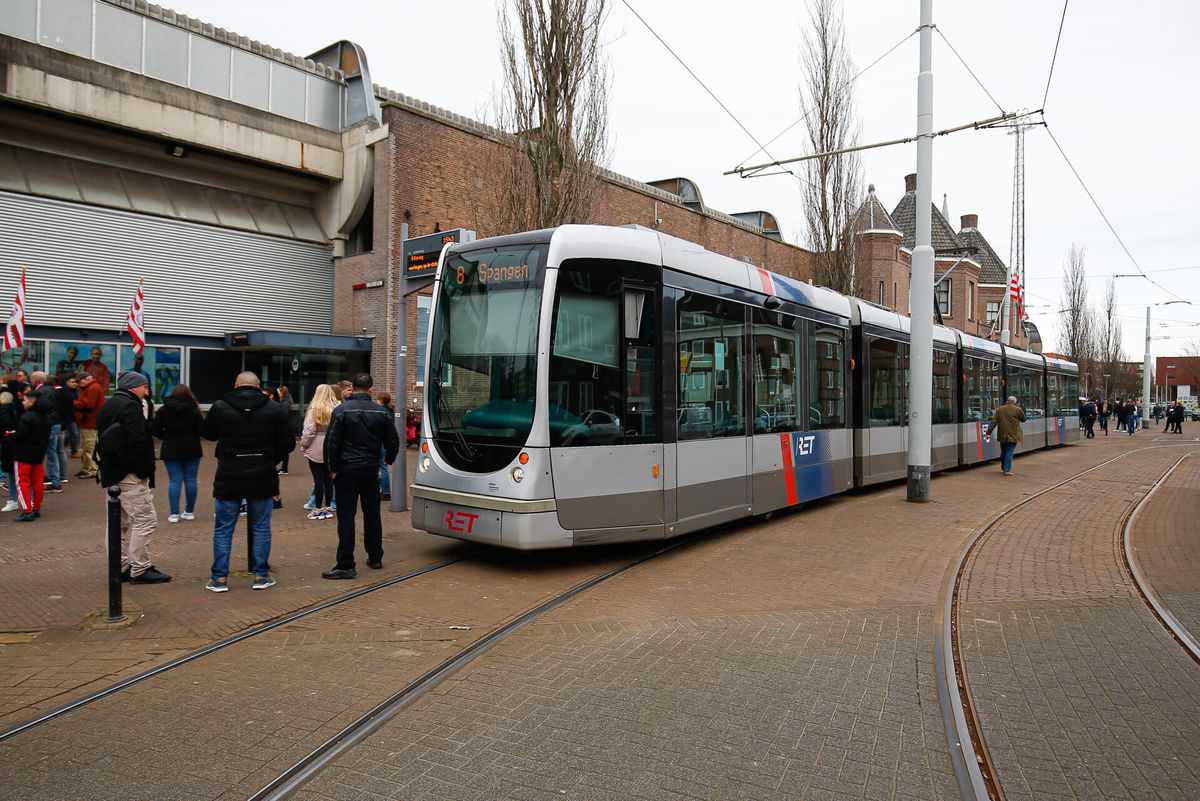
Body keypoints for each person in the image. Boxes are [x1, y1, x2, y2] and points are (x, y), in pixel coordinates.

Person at [201, 371, 294, 592]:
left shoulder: (221, 406)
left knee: (224, 527)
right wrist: (272, 458)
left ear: (236, 384)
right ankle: (261, 575)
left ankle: (219, 578)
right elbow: (287, 443)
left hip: (230, 471)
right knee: (261, 527)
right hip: (262, 471)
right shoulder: (274, 409)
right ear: (258, 386)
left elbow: (209, 434)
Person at [322, 373, 399, 579]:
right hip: (370, 469)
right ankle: (375, 556)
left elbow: (332, 442)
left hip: (347, 469)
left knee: (347, 517)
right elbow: (393, 440)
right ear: (371, 389)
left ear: (353, 388)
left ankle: (346, 563)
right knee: (372, 513)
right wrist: (388, 460)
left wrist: (332, 468)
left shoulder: (342, 410)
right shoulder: (381, 412)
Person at [96, 372, 170, 583]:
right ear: (133, 387)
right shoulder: (131, 406)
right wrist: (144, 472)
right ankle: (140, 568)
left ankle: (118, 566)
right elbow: (138, 442)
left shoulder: (109, 405)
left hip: (111, 471)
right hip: (128, 473)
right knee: (145, 519)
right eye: (144, 387)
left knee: (117, 523)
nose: (147, 391)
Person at [152, 384, 203, 523]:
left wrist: (166, 436)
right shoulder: (194, 409)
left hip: (171, 446)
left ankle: (174, 513)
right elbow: (201, 429)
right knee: (191, 480)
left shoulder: (164, 410)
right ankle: (189, 511)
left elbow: (155, 429)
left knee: (175, 480)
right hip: (192, 447)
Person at [10, 387, 53, 521]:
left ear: (31, 402)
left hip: (23, 454)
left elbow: (21, 435)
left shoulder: (27, 416)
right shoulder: (47, 416)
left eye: (25, 400)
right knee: (37, 482)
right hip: (38, 453)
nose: (23, 402)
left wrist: (10, 436)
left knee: (22, 482)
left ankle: (27, 510)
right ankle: (36, 507)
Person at [300, 383, 339, 521]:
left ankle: (317, 508)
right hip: (332, 445)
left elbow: (309, 431)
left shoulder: (314, 409)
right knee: (329, 479)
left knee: (318, 479)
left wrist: (304, 445)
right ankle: (328, 506)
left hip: (316, 446)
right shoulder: (336, 409)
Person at [29, 371, 64, 492]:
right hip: (55, 423)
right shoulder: (53, 390)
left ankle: (39, 481)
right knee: (52, 453)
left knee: (40, 452)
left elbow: (43, 407)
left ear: (36, 380)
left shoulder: (42, 391)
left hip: (48, 424)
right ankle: (55, 481)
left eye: (31, 379)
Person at [73, 371, 105, 479]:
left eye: (79, 381)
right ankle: (86, 468)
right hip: (87, 422)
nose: (78, 384)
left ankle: (93, 469)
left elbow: (89, 404)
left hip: (90, 422)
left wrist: (74, 403)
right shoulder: (92, 387)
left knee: (90, 446)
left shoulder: (93, 388)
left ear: (86, 379)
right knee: (85, 446)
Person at [0, 380, 26, 512]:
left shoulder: (10, 408)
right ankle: (20, 500)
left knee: (15, 473)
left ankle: (16, 499)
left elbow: (10, 425)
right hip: (13, 443)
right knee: (14, 473)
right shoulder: (17, 407)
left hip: (13, 444)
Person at [987, 395, 1026, 477]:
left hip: (1002, 434)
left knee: (1004, 451)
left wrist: (988, 432)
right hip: (1013, 434)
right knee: (1009, 452)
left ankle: (1003, 468)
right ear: (1015, 402)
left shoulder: (1000, 409)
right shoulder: (1017, 409)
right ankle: (1007, 470)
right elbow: (1023, 419)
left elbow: (993, 422)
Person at [375, 391, 396, 501]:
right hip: (386, 441)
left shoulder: (380, 411)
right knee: (384, 466)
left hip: (381, 441)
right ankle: (385, 491)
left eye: (377, 399)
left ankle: (386, 491)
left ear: (381, 400)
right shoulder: (391, 410)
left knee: (382, 467)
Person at [275, 385, 293, 475]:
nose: (277, 394)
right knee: (285, 449)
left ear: (282, 392)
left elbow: (284, 415)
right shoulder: (285, 402)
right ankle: (284, 468)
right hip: (286, 427)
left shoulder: (284, 403)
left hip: (285, 427)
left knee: (284, 449)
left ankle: (284, 468)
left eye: (278, 392)